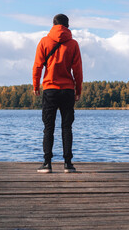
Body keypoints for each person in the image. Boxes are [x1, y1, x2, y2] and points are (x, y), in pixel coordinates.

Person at [32, 14, 83, 173]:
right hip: (67, 90)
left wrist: (36, 85)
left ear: (53, 25)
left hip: (50, 90)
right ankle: (68, 164)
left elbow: (37, 66)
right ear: (67, 26)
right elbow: (78, 70)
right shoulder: (73, 44)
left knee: (49, 127)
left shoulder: (44, 41)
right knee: (67, 127)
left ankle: (47, 163)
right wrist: (78, 90)